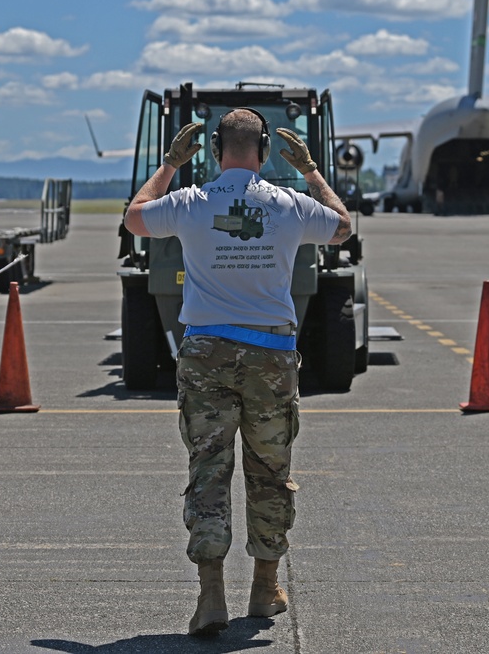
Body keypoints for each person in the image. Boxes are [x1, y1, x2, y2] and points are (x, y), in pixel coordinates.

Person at [123, 109, 351, 636]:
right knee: (268, 470)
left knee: (209, 470)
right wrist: (313, 171)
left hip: (205, 353)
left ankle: (210, 598)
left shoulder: (192, 202)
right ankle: (265, 587)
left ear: (213, 150)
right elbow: (342, 226)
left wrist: (169, 165)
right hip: (270, 353)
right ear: (265, 150)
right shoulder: (289, 204)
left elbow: (135, 217)